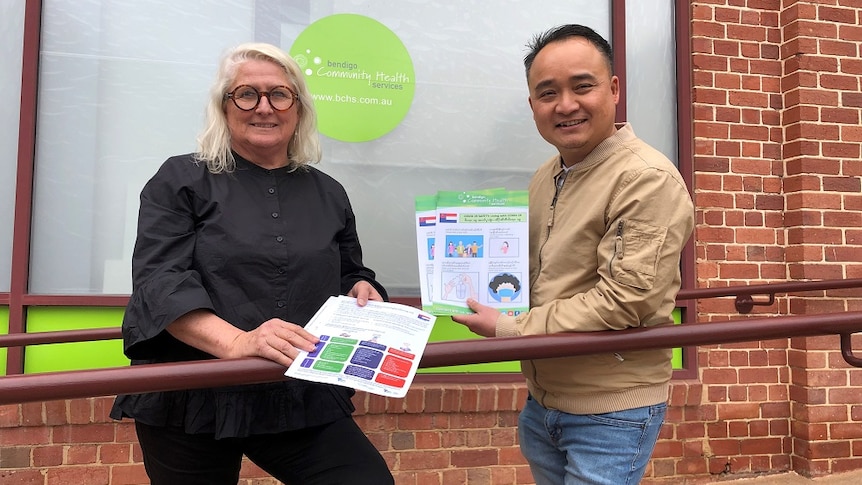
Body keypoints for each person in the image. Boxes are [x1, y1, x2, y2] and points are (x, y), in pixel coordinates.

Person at [109, 42, 394, 485]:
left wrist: (363, 288)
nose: (264, 107)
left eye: (279, 95)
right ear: (224, 107)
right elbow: (160, 284)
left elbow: (350, 270)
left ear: (298, 109)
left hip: (294, 391)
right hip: (191, 396)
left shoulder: (329, 193)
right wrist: (238, 343)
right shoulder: (180, 180)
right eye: (246, 94)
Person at [452, 24, 694, 485]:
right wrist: (457, 279)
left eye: (582, 86)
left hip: (611, 409)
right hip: (544, 401)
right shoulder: (548, 174)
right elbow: (536, 275)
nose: (565, 105)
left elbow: (626, 301)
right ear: (532, 105)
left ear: (614, 89)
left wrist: (508, 327)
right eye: (548, 93)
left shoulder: (645, 179)